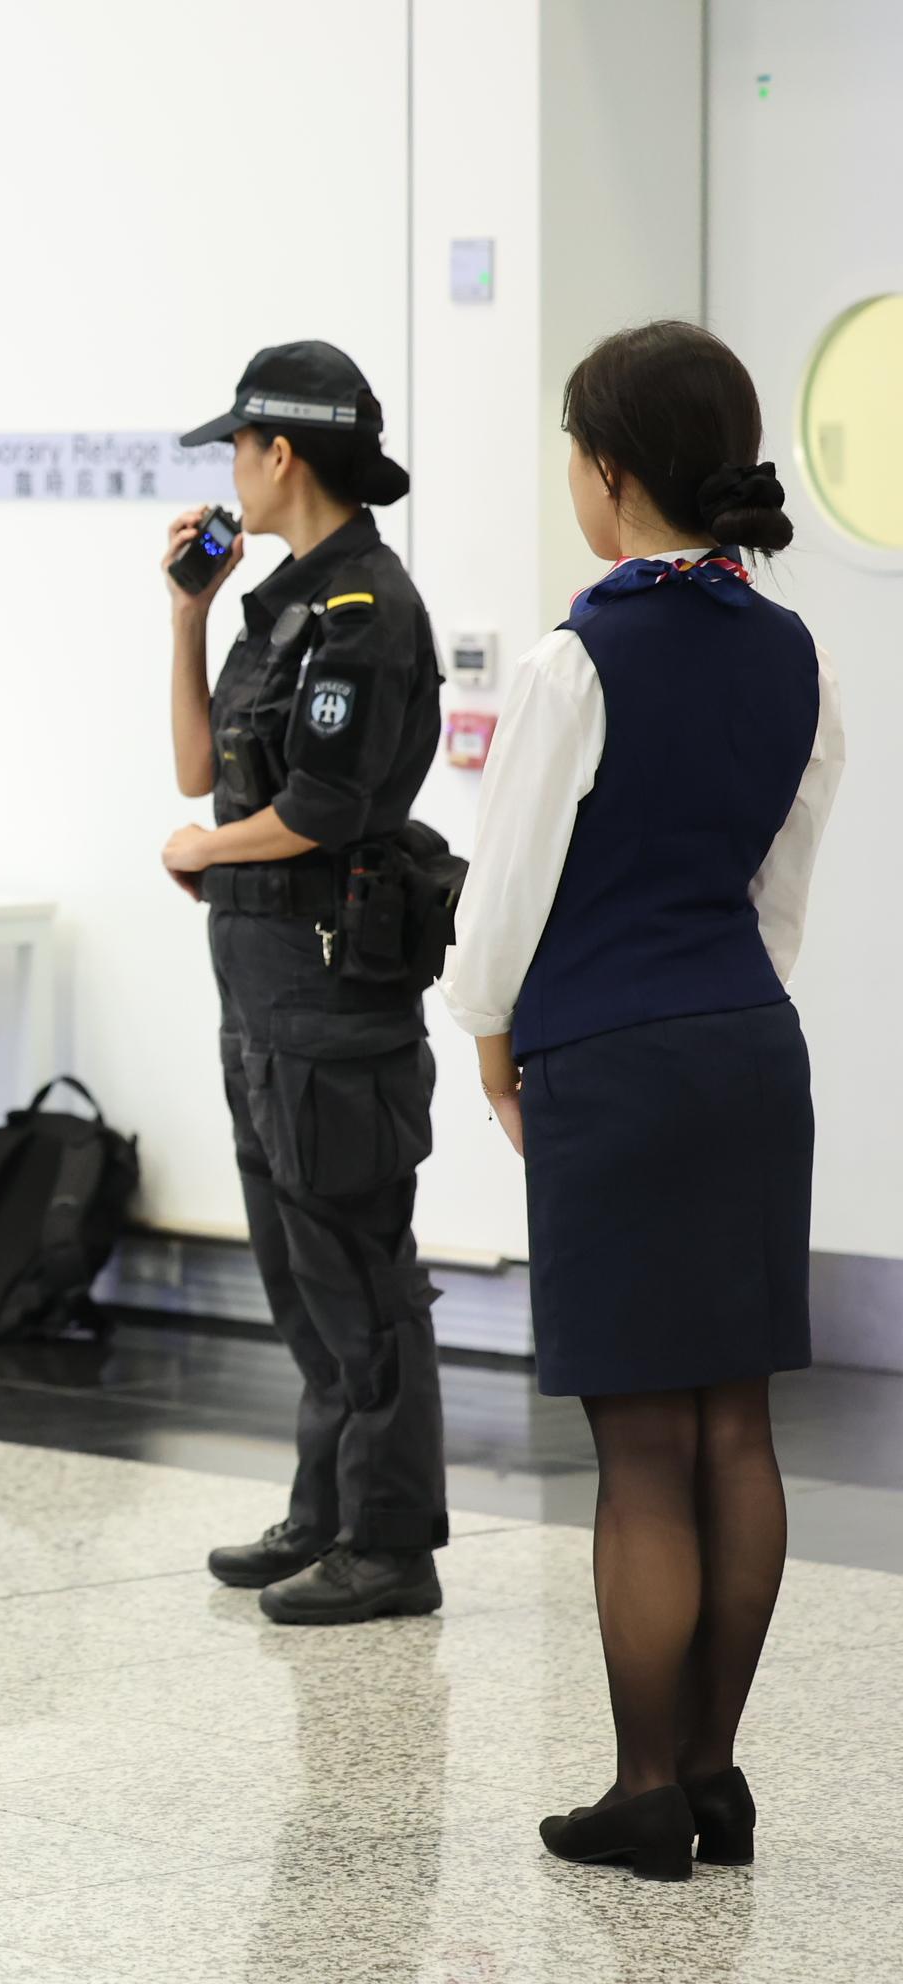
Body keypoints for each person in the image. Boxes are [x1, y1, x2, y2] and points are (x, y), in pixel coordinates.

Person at [446, 323, 841, 1876]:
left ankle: (642, 1788)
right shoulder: (795, 649)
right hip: (751, 1043)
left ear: (609, 474)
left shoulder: (577, 656)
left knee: (642, 1449)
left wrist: (487, 1033)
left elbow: (508, 887)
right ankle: (718, 1770)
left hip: (613, 1060)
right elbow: (780, 887)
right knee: (735, 1425)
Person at [161, 342, 451, 1626]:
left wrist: (210, 851)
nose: (230, 468)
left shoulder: (365, 612)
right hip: (263, 984)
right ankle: (326, 1508)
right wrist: (187, 613)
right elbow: (194, 771)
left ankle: (391, 1543)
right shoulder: (275, 605)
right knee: (295, 1257)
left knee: (357, 1261)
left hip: (336, 993)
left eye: (238, 446)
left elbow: (324, 806)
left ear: (281, 455)